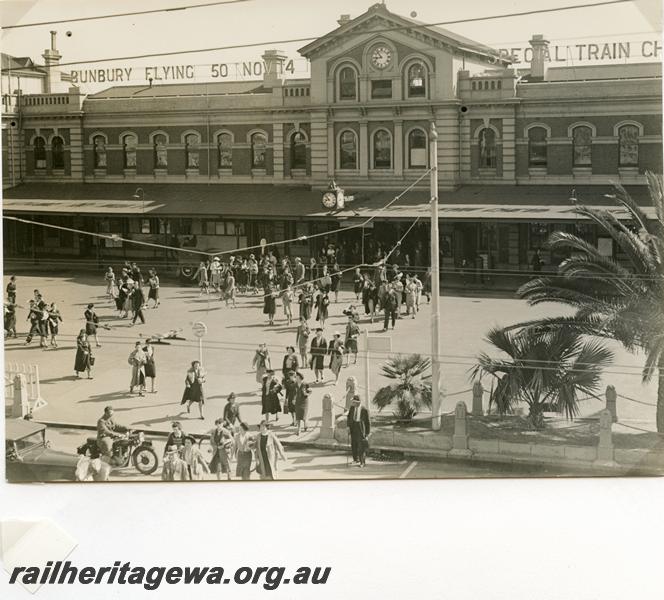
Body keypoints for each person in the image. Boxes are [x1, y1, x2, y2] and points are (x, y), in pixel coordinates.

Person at [347, 395, 370, 467]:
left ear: (358, 403)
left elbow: (368, 422)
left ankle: (362, 462)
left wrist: (367, 434)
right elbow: (349, 417)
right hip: (353, 427)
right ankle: (355, 460)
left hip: (361, 429)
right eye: (352, 402)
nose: (352, 403)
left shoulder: (364, 410)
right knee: (353, 445)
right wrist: (348, 427)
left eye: (354, 402)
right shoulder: (352, 408)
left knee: (361, 446)